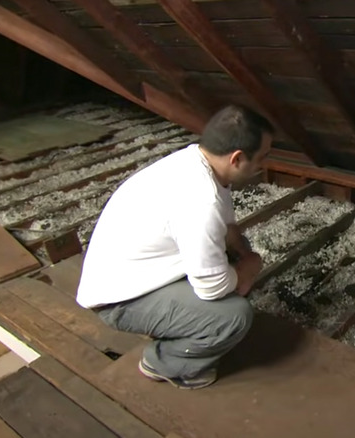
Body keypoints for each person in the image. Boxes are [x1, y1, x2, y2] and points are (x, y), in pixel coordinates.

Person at [76, 105, 272, 389]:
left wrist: (243, 255)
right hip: (119, 300)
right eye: (262, 157)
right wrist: (249, 269)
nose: (263, 165)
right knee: (234, 316)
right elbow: (213, 287)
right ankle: (165, 362)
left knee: (237, 250)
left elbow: (228, 229)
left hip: (133, 272)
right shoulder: (201, 201)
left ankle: (184, 322)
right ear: (237, 158)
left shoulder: (199, 162)